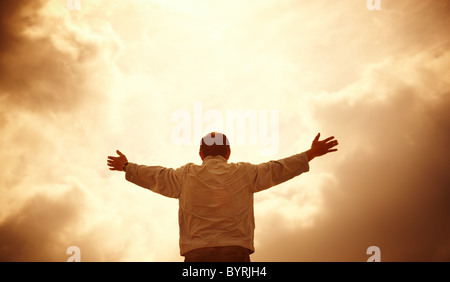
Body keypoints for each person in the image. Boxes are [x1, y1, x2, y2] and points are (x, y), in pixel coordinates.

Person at [107, 132, 338, 262]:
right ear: (228, 153)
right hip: (235, 254)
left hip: (196, 255)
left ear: (200, 154)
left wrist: (126, 166)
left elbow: (154, 175)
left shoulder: (185, 175)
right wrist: (310, 154)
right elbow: (277, 169)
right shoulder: (245, 173)